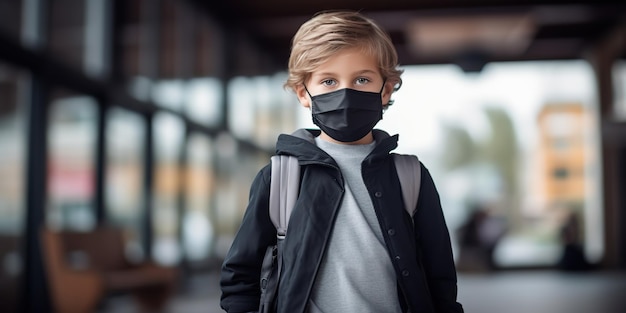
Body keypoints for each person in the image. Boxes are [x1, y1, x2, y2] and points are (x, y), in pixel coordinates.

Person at [220, 10, 464, 313]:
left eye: (362, 79)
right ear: (303, 93)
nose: (346, 93)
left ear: (385, 90)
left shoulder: (410, 176)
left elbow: (440, 277)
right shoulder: (280, 178)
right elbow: (240, 276)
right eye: (328, 81)